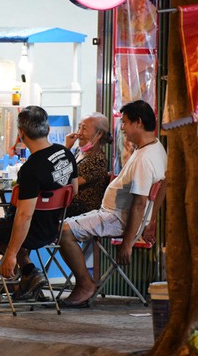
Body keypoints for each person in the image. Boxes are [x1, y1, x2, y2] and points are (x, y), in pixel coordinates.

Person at [0, 106, 78, 315]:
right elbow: (73, 191)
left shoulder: (31, 168)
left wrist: (11, 254)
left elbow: (24, 217)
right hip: (53, 228)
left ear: (21, 134)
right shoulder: (65, 154)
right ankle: (29, 272)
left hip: (31, 231)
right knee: (0, 223)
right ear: (48, 128)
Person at [56, 100, 167, 308]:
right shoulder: (155, 148)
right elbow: (164, 185)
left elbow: (139, 204)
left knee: (63, 231)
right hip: (114, 214)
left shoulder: (144, 158)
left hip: (116, 217)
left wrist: (127, 243)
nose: (122, 128)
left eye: (125, 122)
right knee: (63, 227)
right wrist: (152, 221)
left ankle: (85, 284)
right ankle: (83, 282)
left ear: (138, 123)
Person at [64, 113, 112, 217]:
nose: (79, 133)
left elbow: (67, 182)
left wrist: (66, 149)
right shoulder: (78, 151)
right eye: (79, 127)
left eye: (84, 129)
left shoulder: (98, 160)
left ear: (99, 134)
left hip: (82, 214)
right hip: (67, 208)